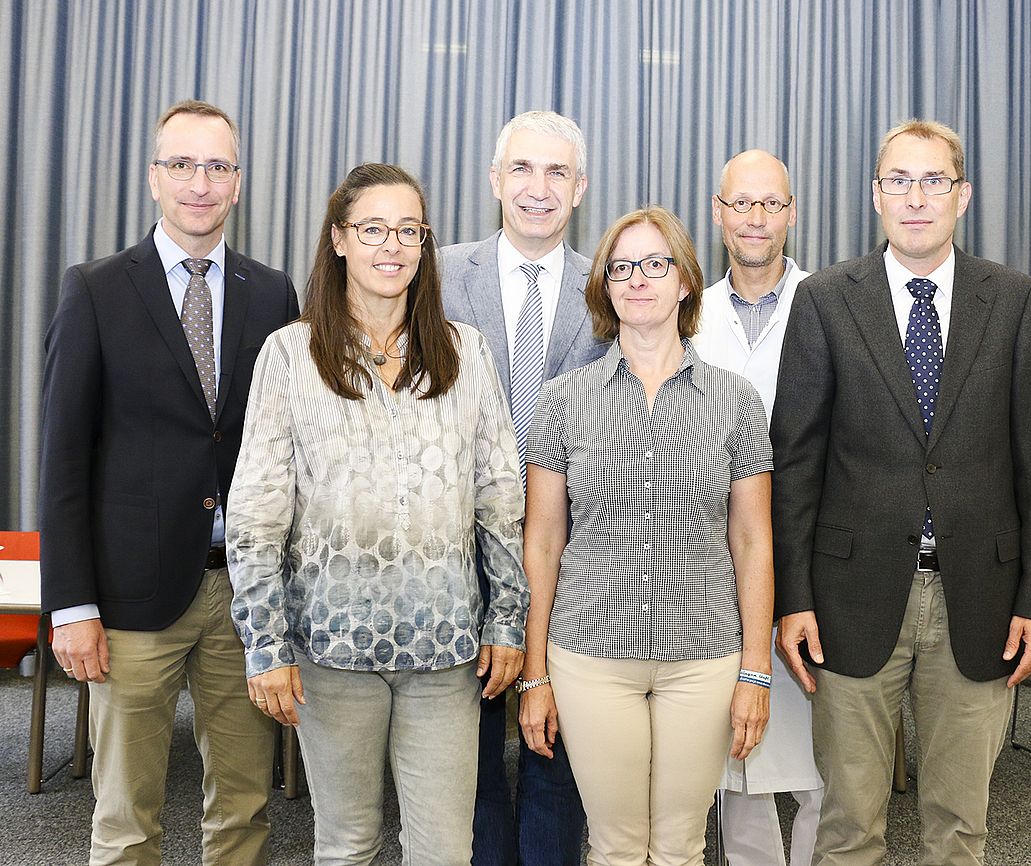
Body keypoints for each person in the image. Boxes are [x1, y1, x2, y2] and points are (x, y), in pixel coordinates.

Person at [771, 119, 1031, 865]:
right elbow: (796, 463)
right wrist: (794, 596)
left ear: (962, 196)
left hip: (983, 600)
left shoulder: (1017, 300)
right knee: (848, 826)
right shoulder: (826, 299)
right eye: (898, 181)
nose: (915, 198)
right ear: (876, 195)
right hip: (851, 597)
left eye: (933, 181)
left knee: (960, 829)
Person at [225, 163, 527, 865]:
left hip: (446, 654)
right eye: (372, 229)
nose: (390, 246)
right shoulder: (290, 356)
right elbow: (256, 515)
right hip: (331, 654)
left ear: (424, 245)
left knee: (446, 849)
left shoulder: (465, 354)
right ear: (338, 240)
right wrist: (265, 645)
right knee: (346, 843)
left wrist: (506, 621)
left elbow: (499, 502)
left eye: (408, 230)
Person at [39, 99, 299, 865]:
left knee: (245, 810)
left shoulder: (272, 293)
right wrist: (71, 604)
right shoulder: (95, 289)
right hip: (127, 600)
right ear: (154, 178)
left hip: (241, 599)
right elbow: (63, 461)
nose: (199, 182)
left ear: (238, 184)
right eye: (182, 164)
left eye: (217, 166)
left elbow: (281, 450)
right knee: (126, 818)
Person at [519, 206, 775, 865]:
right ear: (605, 286)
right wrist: (535, 673)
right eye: (621, 267)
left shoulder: (735, 401)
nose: (638, 279)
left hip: (705, 655)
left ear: (685, 280)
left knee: (683, 846)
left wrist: (755, 670)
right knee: (616, 846)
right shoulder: (563, 401)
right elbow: (542, 544)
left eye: (655, 264)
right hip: (591, 656)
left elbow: (752, 543)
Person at [440, 110, 607, 866]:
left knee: (556, 755)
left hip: (571, 557)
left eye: (556, 174)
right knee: (464, 762)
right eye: (522, 170)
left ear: (580, 189)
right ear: (494, 180)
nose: (537, 189)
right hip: (453, 555)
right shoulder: (435, 274)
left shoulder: (612, 287)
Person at [693, 149, 823, 866]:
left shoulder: (832, 305)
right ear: (718, 212)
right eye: (741, 203)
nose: (755, 218)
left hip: (811, 568)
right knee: (738, 768)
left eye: (771, 204)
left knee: (822, 772)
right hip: (715, 572)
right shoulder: (687, 315)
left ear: (791, 214)